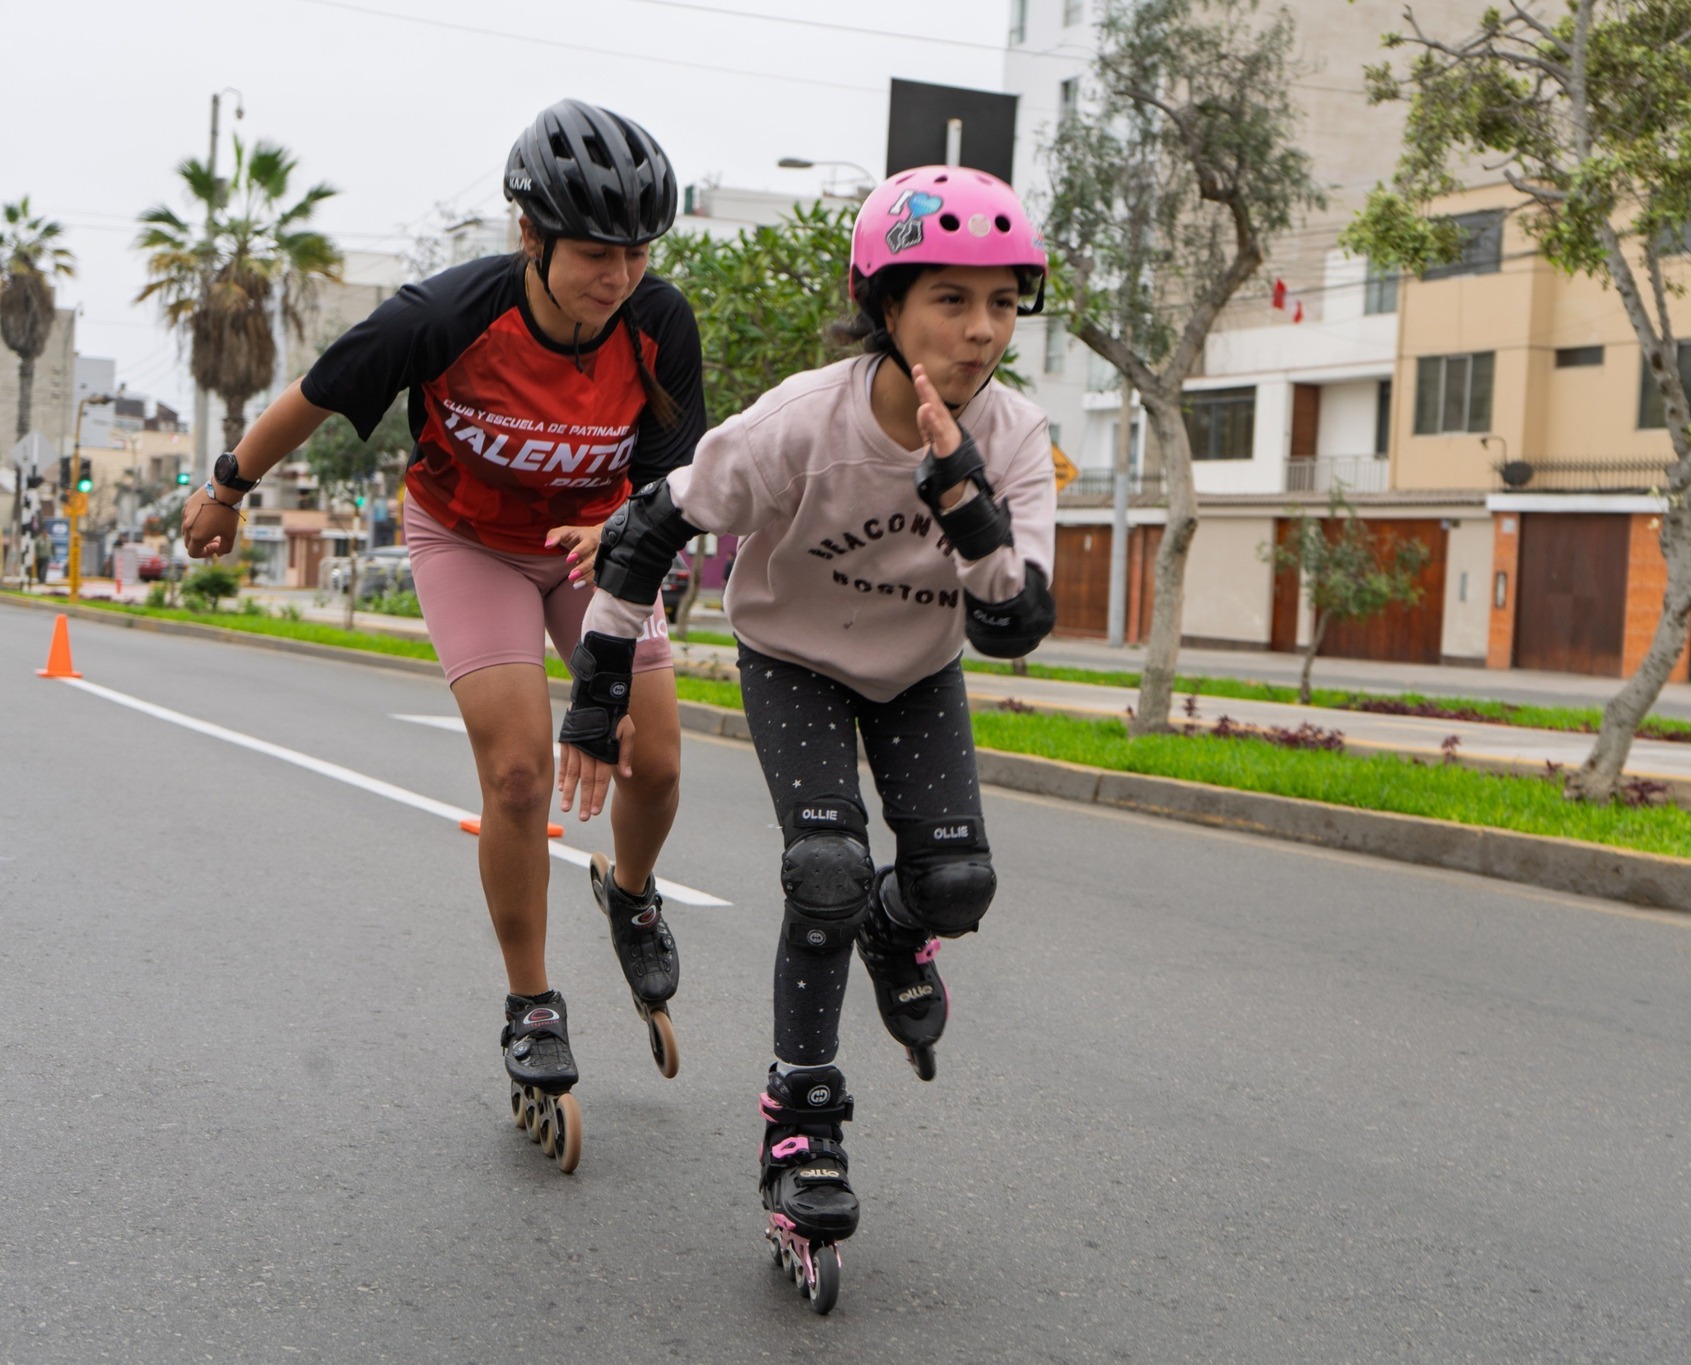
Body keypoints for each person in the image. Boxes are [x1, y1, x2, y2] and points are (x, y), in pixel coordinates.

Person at [554, 165, 1057, 1301]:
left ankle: (900, 929)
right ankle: (802, 1127)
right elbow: (648, 529)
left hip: (919, 671)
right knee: (825, 872)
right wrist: (594, 704)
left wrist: (964, 493)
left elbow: (1014, 623)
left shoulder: (1016, 436)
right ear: (884, 305)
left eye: (1003, 305)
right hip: (795, 662)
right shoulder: (799, 420)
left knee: (957, 886)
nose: (981, 333)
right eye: (949, 301)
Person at [180, 99, 706, 1173]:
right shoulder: (444, 313)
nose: (618, 276)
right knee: (516, 773)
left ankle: (633, 892)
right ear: (532, 237)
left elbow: (677, 475)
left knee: (655, 754)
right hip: (467, 537)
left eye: (637, 252)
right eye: (596, 253)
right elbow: (314, 399)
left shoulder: (660, 323)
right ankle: (530, 1006)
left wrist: (622, 526)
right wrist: (227, 486)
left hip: (591, 543)